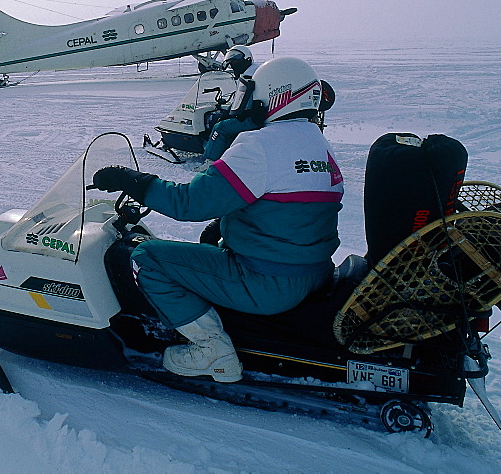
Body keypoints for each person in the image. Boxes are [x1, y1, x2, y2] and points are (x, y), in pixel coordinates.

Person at [93, 56, 344, 383]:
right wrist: (227, 224)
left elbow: (189, 204)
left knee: (147, 257)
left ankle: (212, 351)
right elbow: (285, 210)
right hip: (312, 273)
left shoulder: (262, 143)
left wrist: (131, 180)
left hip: (266, 282)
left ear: (274, 95)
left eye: (252, 95)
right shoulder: (318, 145)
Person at [203, 44, 259, 161]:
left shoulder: (249, 77)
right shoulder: (256, 71)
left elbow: (245, 105)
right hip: (257, 114)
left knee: (220, 127)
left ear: (247, 59)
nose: (234, 67)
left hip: (253, 118)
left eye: (236, 64)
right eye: (232, 65)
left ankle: (209, 161)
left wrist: (229, 115)